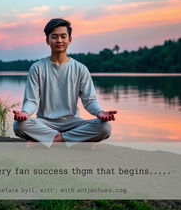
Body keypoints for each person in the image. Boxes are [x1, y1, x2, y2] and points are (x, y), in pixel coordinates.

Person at [13, 18, 117, 147]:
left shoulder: (80, 69)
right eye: (54, 37)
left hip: (73, 122)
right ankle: (74, 140)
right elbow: (31, 100)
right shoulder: (37, 67)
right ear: (47, 40)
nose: (59, 41)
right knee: (19, 125)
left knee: (105, 128)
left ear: (70, 39)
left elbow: (89, 101)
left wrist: (100, 113)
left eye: (63, 36)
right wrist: (25, 113)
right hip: (45, 122)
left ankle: (49, 140)